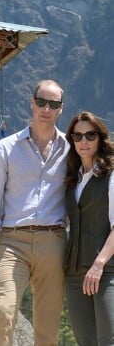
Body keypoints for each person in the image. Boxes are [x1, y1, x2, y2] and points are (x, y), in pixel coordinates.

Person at [0, 79, 69, 346]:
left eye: (53, 104)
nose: (46, 109)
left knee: (47, 327)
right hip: (12, 242)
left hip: (53, 242)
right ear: (32, 103)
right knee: (4, 311)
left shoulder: (71, 149)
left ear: (60, 109)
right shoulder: (5, 148)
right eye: (41, 102)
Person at [63, 111, 114, 346]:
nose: (84, 141)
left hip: (106, 270)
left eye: (90, 135)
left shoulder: (111, 175)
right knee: (86, 342)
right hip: (74, 273)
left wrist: (99, 263)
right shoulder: (73, 178)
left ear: (100, 138)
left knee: (108, 340)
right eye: (78, 136)